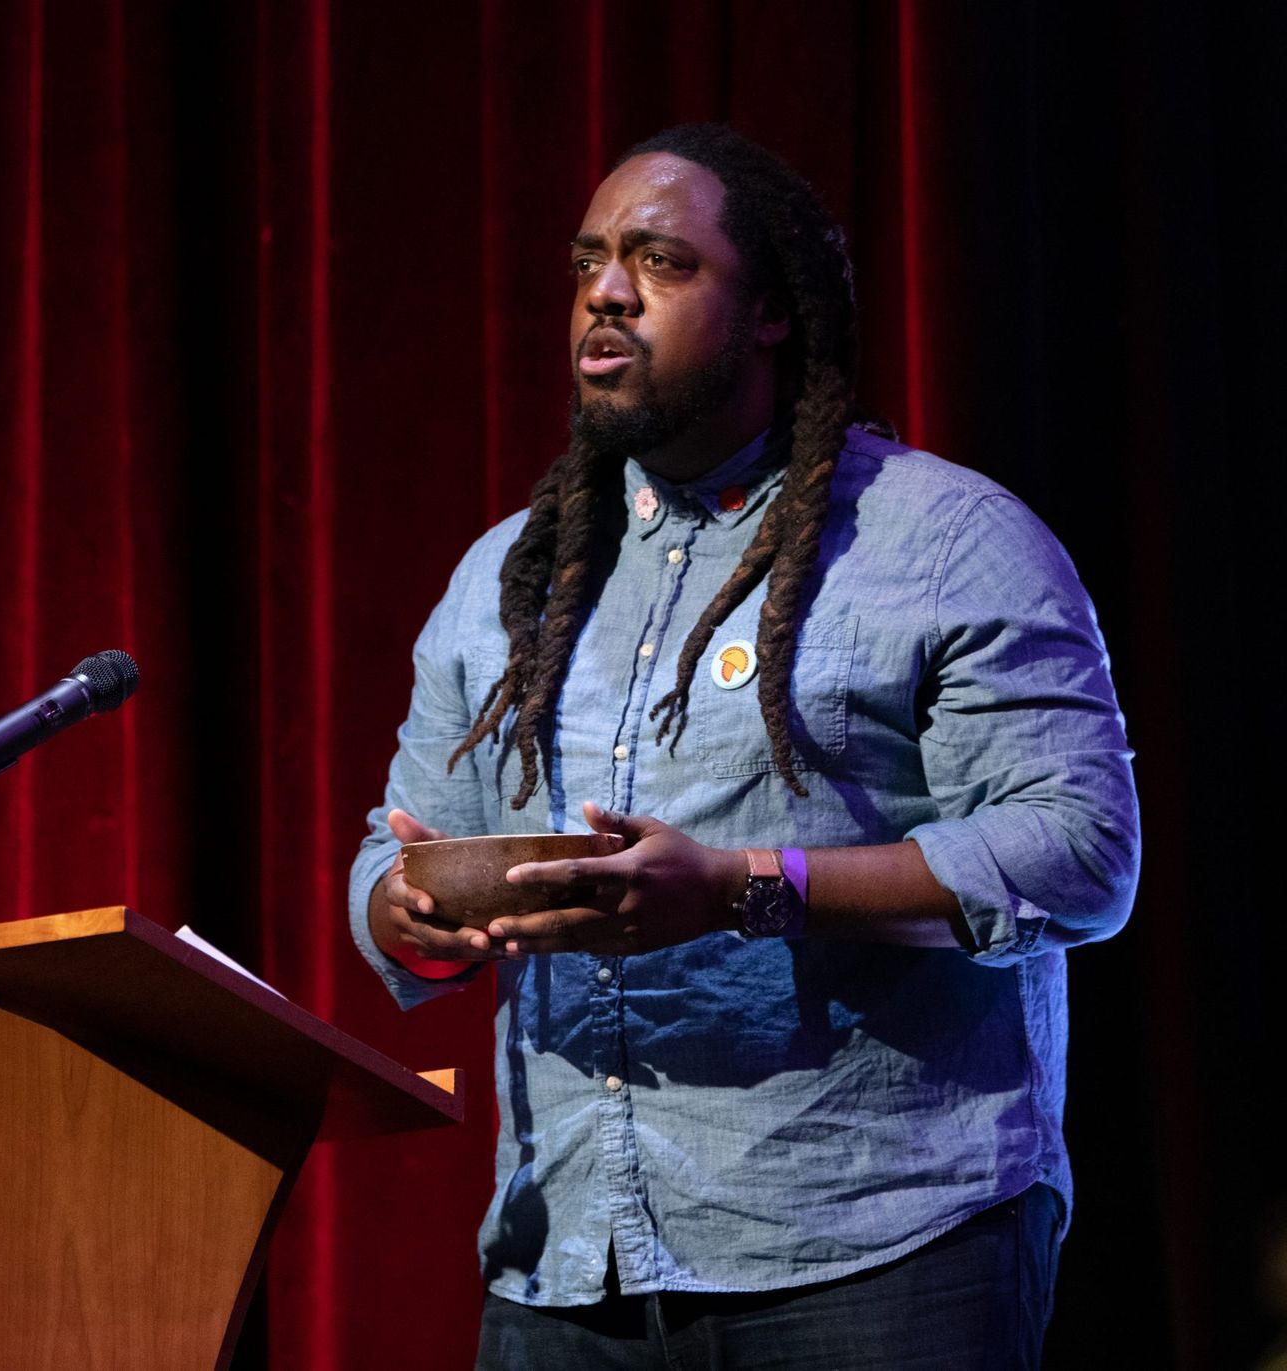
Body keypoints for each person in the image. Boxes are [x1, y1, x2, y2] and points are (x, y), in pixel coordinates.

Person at [347, 123, 1139, 1370]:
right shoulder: (508, 576)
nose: (605, 292)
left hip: (875, 1256)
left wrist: (739, 890)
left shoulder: (945, 541)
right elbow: (393, 852)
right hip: (566, 1267)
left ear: (772, 312)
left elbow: (1077, 855)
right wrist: (409, 915)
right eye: (591, 260)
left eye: (660, 262)